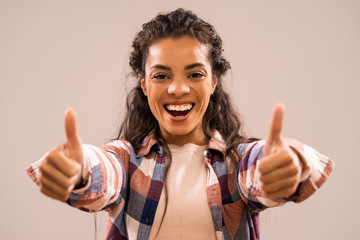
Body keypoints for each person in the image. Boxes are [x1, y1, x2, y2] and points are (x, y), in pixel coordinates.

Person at [26, 8, 333, 240]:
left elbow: (260, 168)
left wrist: (291, 164)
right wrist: (78, 170)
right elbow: (103, 172)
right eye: (161, 75)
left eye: (194, 74)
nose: (177, 89)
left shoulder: (237, 162)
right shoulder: (127, 161)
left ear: (213, 81)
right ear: (144, 84)